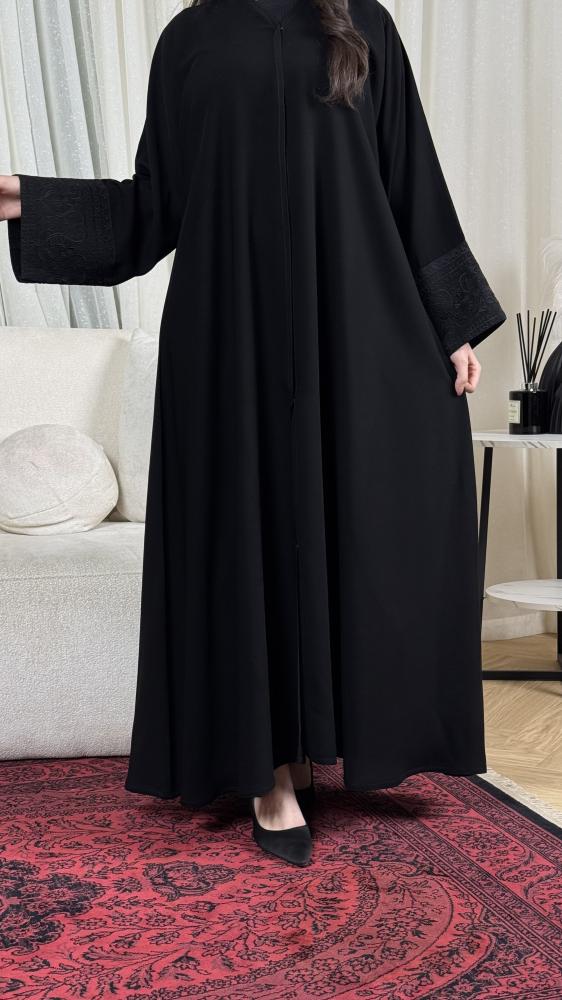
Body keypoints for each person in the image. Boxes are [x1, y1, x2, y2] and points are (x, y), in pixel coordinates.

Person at [0, 0, 506, 867]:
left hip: (353, 327)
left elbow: (410, 179)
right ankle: (269, 775)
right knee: (248, 533)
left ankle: (318, 746)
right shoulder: (189, 40)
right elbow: (153, 207)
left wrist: (453, 326)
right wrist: (23, 199)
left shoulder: (363, 24)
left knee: (367, 513)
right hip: (227, 339)